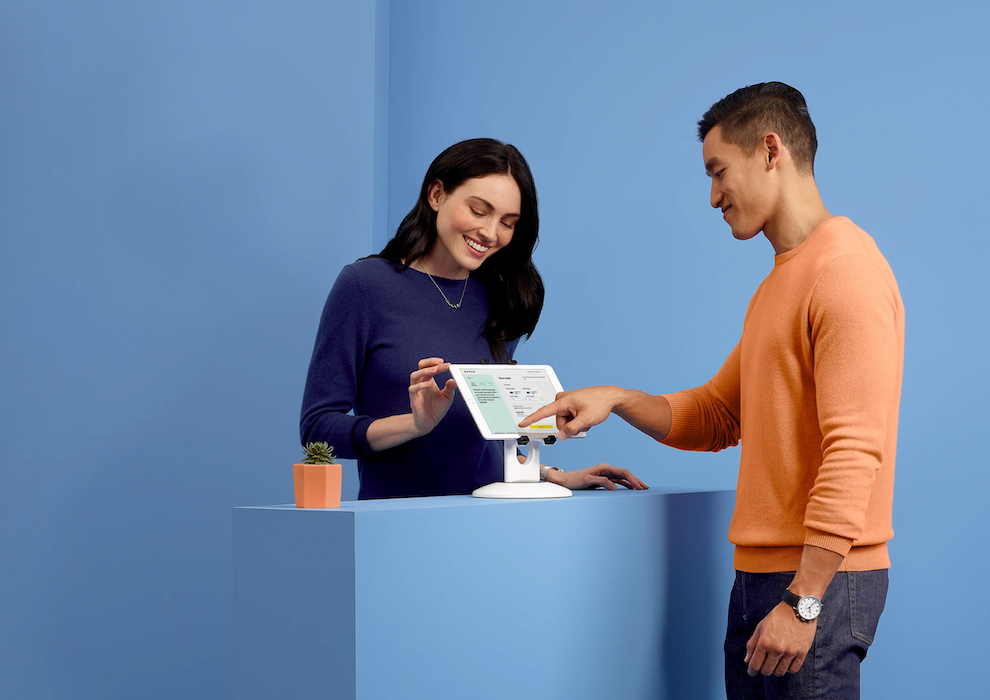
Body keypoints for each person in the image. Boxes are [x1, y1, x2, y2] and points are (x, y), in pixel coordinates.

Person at [520, 83, 903, 699]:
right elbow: (720, 414)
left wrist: (804, 600)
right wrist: (617, 399)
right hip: (762, 576)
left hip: (815, 580)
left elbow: (856, 450)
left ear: (770, 151)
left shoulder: (845, 271)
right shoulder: (780, 283)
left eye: (718, 171)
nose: (713, 196)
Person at [301, 138, 647, 499]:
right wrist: (414, 425)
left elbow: (483, 443)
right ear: (437, 195)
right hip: (398, 521)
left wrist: (550, 474)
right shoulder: (365, 286)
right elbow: (317, 430)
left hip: (495, 517)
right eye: (479, 211)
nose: (491, 233)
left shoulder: (503, 298)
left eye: (507, 222)